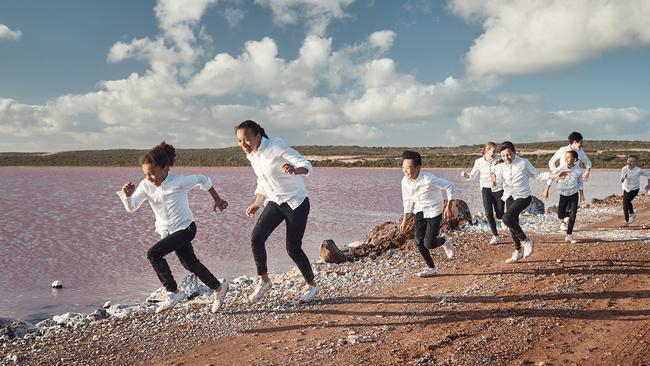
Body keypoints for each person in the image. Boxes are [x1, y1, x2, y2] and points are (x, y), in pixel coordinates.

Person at [117, 142, 229, 313]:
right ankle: (219, 288)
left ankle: (172, 292)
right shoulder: (146, 185)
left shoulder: (178, 182)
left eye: (152, 173)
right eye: (146, 174)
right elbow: (132, 207)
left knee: (153, 254)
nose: (149, 177)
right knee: (190, 264)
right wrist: (127, 196)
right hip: (168, 232)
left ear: (165, 168)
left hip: (186, 228)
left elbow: (202, 179)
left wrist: (217, 199)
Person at [235, 120, 320, 303]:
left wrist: (296, 169)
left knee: (292, 248)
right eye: (240, 141)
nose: (243, 144)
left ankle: (312, 285)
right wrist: (258, 202)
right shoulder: (253, 155)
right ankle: (265, 281)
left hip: (296, 202)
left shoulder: (275, 145)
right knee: (256, 238)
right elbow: (263, 180)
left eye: (247, 139)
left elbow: (305, 163)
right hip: (275, 201)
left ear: (258, 136)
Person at [492, 141, 567, 264]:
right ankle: (518, 251)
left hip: (524, 196)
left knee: (506, 219)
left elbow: (537, 175)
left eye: (509, 154)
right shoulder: (499, 167)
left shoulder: (523, 163)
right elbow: (498, 186)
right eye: (503, 156)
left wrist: (554, 176)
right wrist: (494, 182)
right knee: (512, 224)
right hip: (509, 197)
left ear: (514, 152)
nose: (506, 158)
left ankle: (526, 241)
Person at [399, 150, 455, 278]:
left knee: (429, 243)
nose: (405, 171)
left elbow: (449, 186)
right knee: (419, 242)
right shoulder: (404, 181)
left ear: (418, 168)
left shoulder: (428, 179)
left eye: (408, 168)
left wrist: (449, 206)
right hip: (420, 210)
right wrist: (405, 219)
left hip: (435, 210)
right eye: (403, 168)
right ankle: (431, 268)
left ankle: (444, 240)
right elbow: (407, 199)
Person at [461, 142, 504, 245]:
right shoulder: (478, 162)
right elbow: (472, 176)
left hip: (498, 188)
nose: (495, 154)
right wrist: (466, 175)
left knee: (499, 214)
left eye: (495, 152)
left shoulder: (499, 160)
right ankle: (495, 236)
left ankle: (503, 218)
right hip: (485, 189)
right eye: (493, 152)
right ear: (486, 151)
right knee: (488, 213)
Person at [543, 150, 585, 243]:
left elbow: (580, 183)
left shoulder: (578, 170)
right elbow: (552, 177)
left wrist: (582, 195)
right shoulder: (561, 168)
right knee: (560, 215)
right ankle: (566, 217)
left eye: (568, 157)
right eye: (565, 157)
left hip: (574, 194)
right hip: (563, 194)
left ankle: (569, 235)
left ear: (575, 159)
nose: (566, 159)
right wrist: (546, 189)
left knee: (573, 215)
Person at [620, 154, 650, 226]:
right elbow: (621, 180)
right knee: (624, 205)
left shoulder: (638, 170)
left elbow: (648, 174)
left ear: (635, 163)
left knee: (627, 201)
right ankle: (627, 221)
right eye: (628, 160)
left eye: (631, 161)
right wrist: (624, 177)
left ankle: (632, 214)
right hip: (626, 188)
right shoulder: (624, 169)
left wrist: (649, 184)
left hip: (634, 189)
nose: (629, 162)